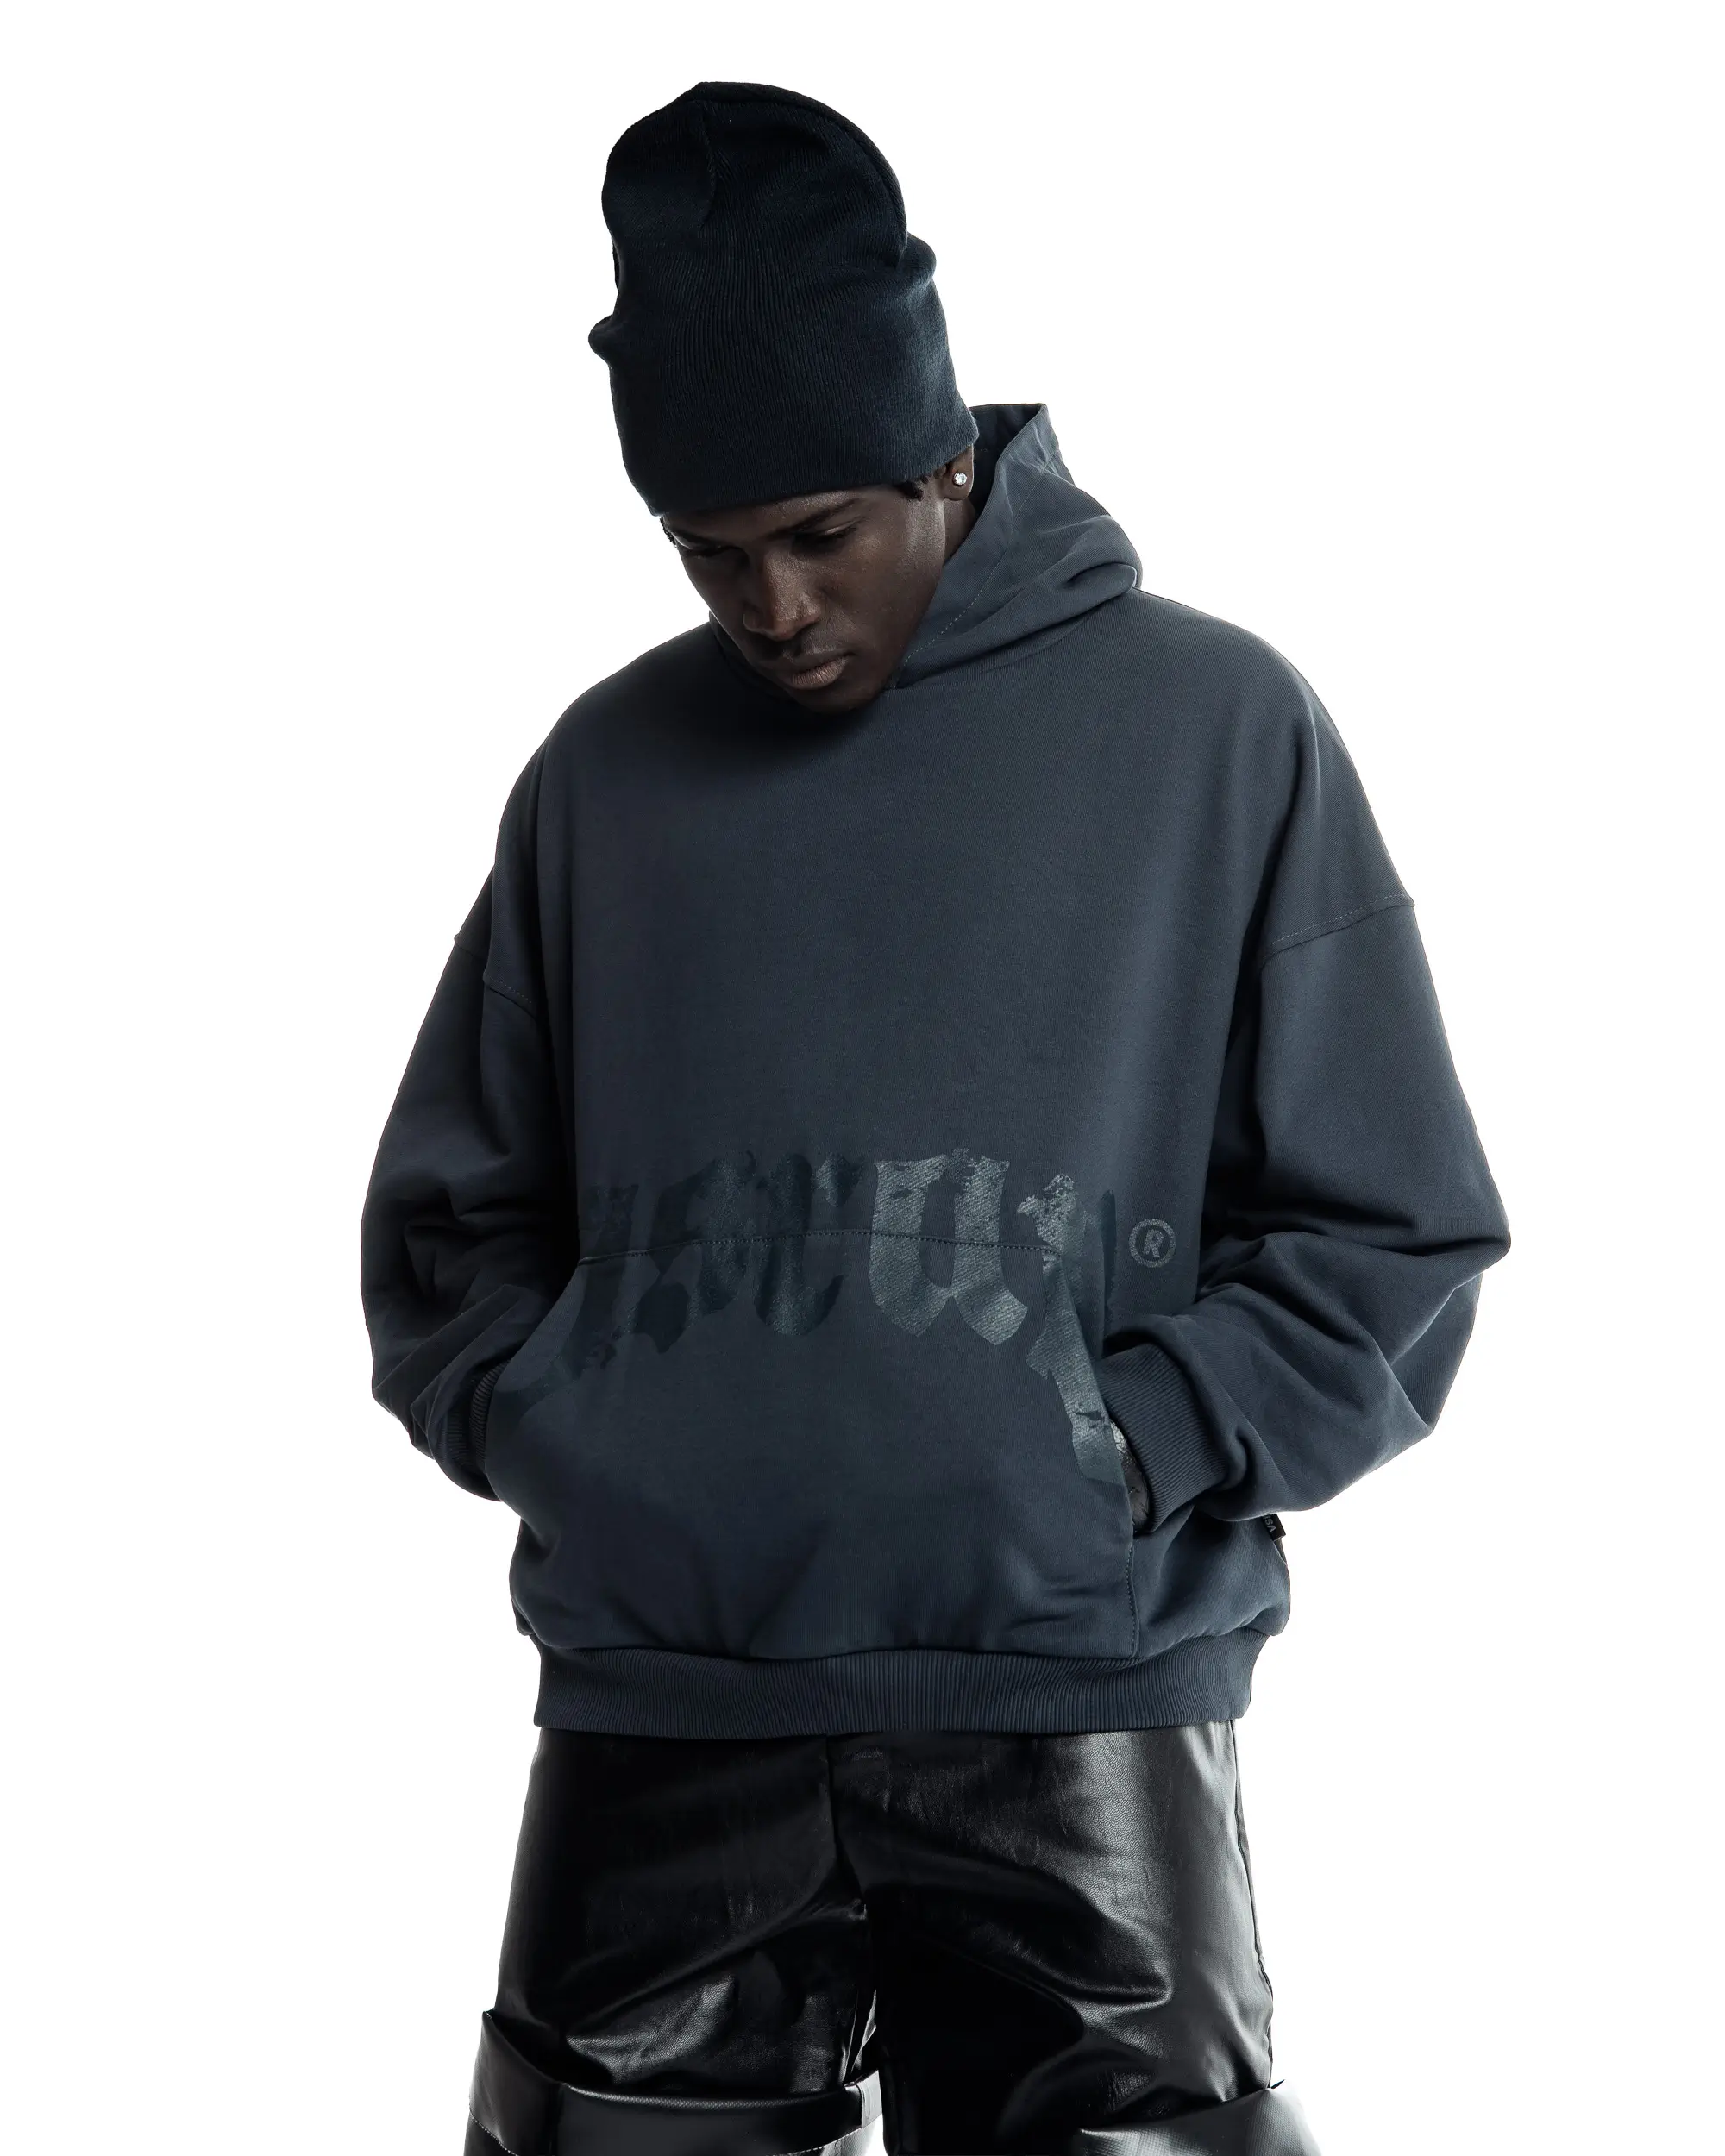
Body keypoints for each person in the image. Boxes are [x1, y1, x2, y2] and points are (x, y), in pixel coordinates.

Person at [360, 79, 1510, 2156]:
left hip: (1073, 1701)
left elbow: (1392, 1230)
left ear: (946, 459)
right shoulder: (603, 775)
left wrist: (1120, 1447)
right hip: (665, 1697)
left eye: (826, 534)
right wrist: (587, 1437)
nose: (776, 606)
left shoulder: (1214, 727)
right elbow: (450, 1226)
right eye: (714, 554)